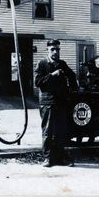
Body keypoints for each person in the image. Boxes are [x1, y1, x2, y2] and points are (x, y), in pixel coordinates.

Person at [34, 39, 78, 167]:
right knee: (48, 131)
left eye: (57, 49)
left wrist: (72, 89)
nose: (55, 52)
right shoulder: (42, 64)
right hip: (47, 102)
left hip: (61, 102)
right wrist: (52, 75)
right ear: (47, 50)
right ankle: (47, 158)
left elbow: (72, 75)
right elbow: (38, 82)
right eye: (52, 49)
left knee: (60, 131)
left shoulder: (62, 64)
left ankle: (60, 158)